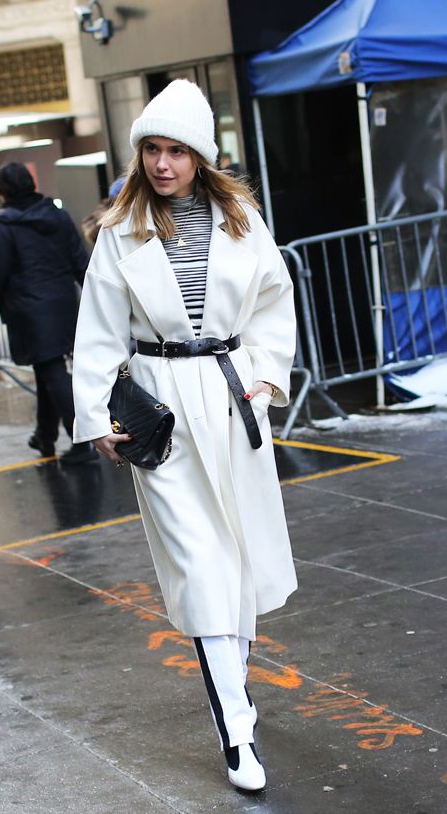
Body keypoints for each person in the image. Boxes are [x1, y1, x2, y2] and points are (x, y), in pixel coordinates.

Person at [71, 79, 297, 793]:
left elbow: (273, 303)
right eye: (151, 149)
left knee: (240, 559)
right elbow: (98, 332)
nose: (162, 163)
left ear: (200, 156)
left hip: (231, 397)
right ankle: (236, 729)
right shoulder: (119, 230)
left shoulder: (241, 220)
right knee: (201, 566)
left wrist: (264, 378)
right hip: (159, 408)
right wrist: (96, 418)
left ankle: (234, 681)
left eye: (176, 150)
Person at [0, 162, 95, 465]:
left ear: (1, 191)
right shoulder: (57, 215)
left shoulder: (1, 228)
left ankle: (83, 441)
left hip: (28, 312)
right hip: (64, 306)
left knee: (52, 373)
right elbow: (80, 262)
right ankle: (45, 436)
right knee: (48, 372)